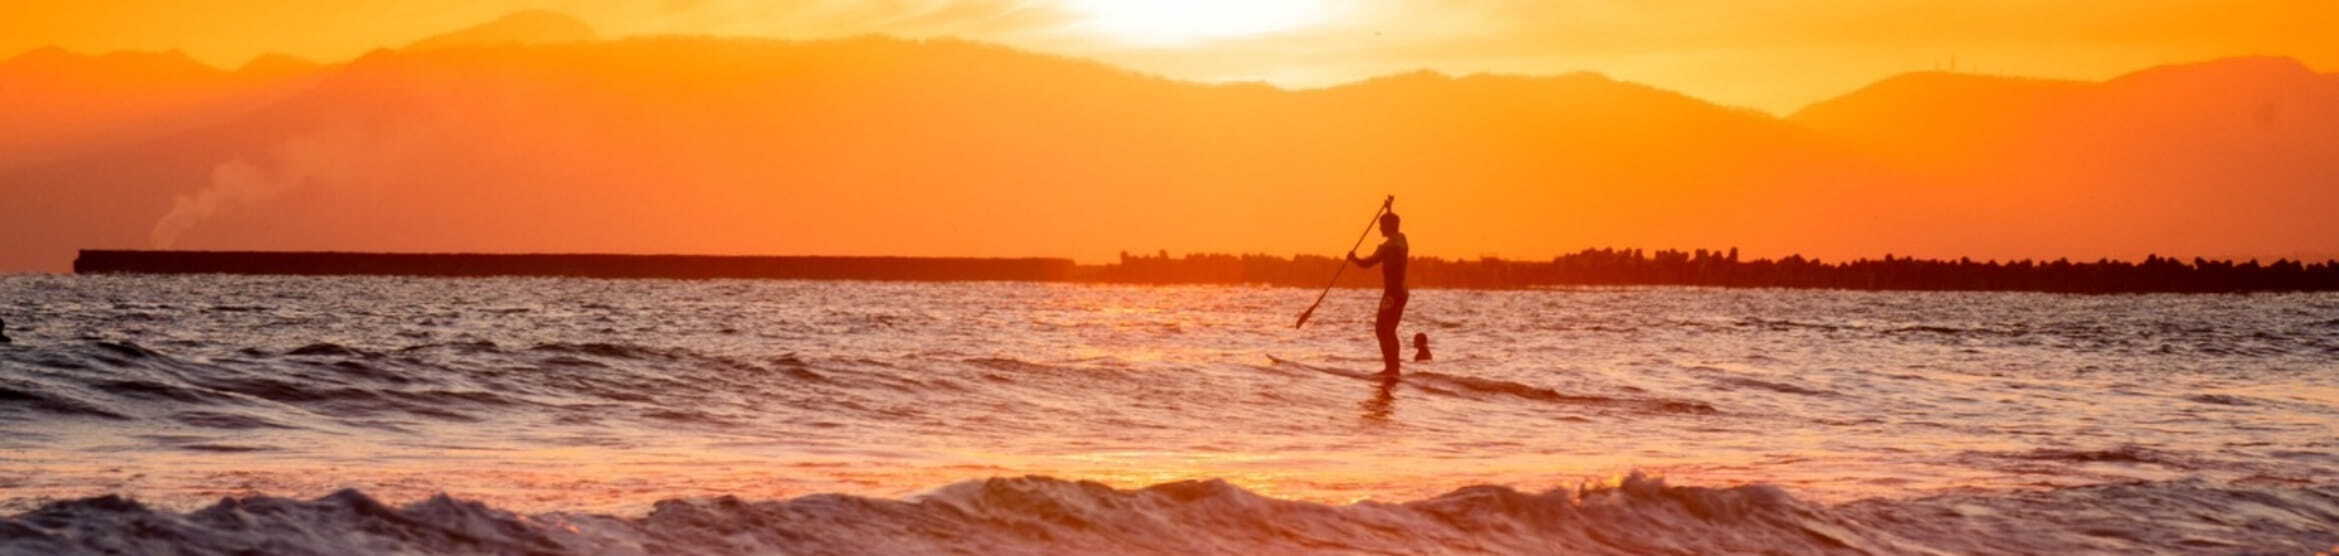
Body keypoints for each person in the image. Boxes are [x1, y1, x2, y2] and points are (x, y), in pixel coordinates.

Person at [1347, 212, 1409, 376]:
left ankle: (1391, 369)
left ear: (1389, 226)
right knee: (1389, 330)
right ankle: (1394, 368)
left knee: (1382, 329)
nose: (1379, 228)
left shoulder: (1388, 247)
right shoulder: (1402, 240)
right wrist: (1389, 208)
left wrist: (1354, 259)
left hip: (1392, 293)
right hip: (1401, 292)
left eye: (1382, 225)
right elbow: (1395, 225)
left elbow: (1368, 263)